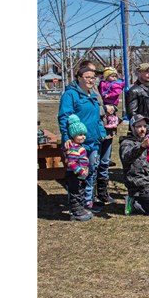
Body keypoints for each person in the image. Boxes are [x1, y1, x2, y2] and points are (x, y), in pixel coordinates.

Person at [58, 66, 106, 212]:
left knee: (91, 170)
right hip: (77, 142)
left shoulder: (92, 96)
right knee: (78, 172)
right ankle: (76, 203)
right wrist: (67, 136)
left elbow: (97, 118)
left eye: (93, 77)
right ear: (79, 78)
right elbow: (64, 117)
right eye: (87, 77)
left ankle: (88, 200)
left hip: (93, 140)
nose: (91, 80)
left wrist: (101, 132)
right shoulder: (71, 95)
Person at [64, 115, 93, 222]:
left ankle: (80, 209)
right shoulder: (73, 149)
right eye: (80, 135)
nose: (83, 137)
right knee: (75, 194)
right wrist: (80, 171)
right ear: (73, 135)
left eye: (84, 134)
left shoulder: (80, 147)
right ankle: (76, 212)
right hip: (74, 175)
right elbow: (71, 163)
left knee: (80, 192)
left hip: (80, 176)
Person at [126, 63, 149, 132]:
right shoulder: (133, 91)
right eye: (146, 71)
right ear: (139, 73)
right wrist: (145, 127)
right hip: (141, 132)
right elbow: (132, 114)